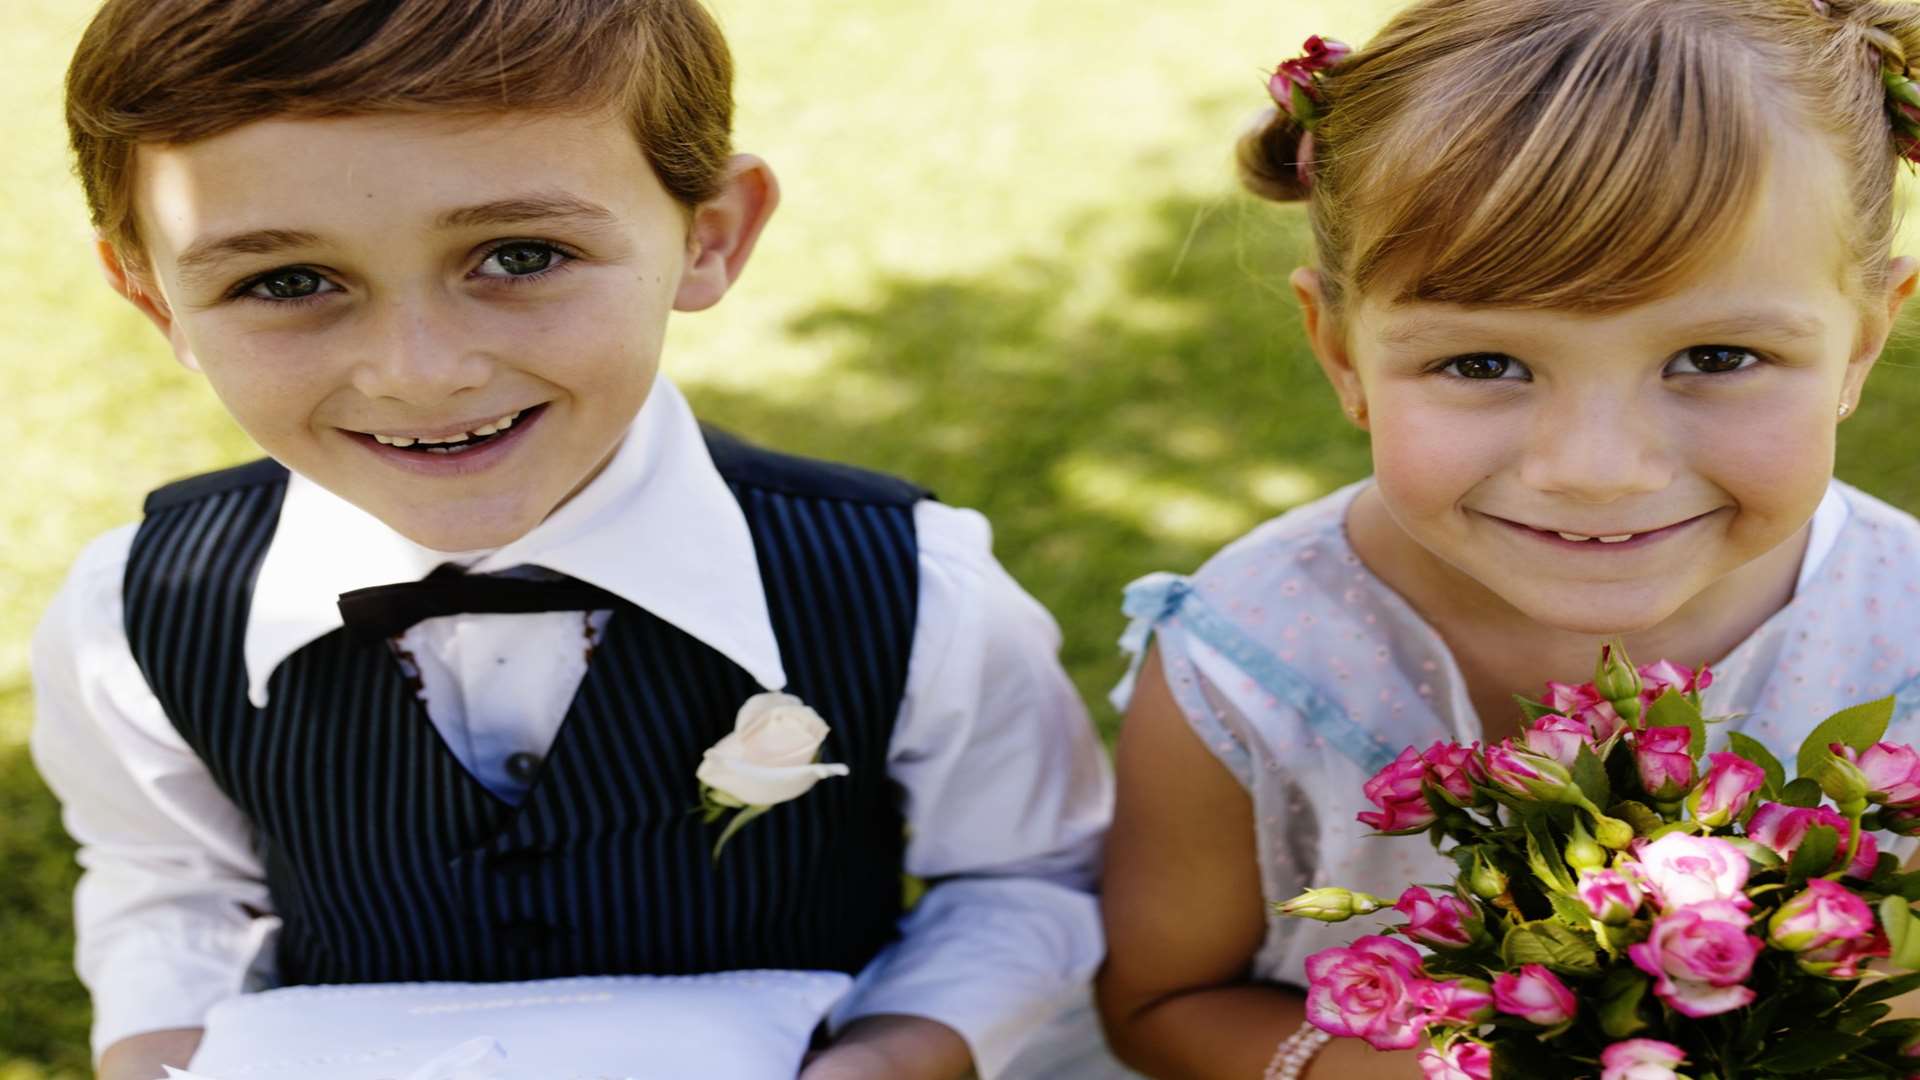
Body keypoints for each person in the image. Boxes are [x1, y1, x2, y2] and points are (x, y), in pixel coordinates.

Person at [30, 2, 1114, 1078]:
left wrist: (894, 1054)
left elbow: (1025, 879)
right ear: (154, 297)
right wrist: (157, 1052)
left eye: (519, 254)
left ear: (708, 235)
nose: (421, 370)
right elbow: (169, 882)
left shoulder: (910, 584)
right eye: (286, 282)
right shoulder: (136, 615)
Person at [1093, 0, 1920, 1076]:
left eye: (1715, 356)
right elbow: (1163, 1002)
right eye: (1485, 365)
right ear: (1341, 353)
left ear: (1862, 341)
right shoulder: (1252, 658)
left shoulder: (1903, 634)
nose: (1596, 467)